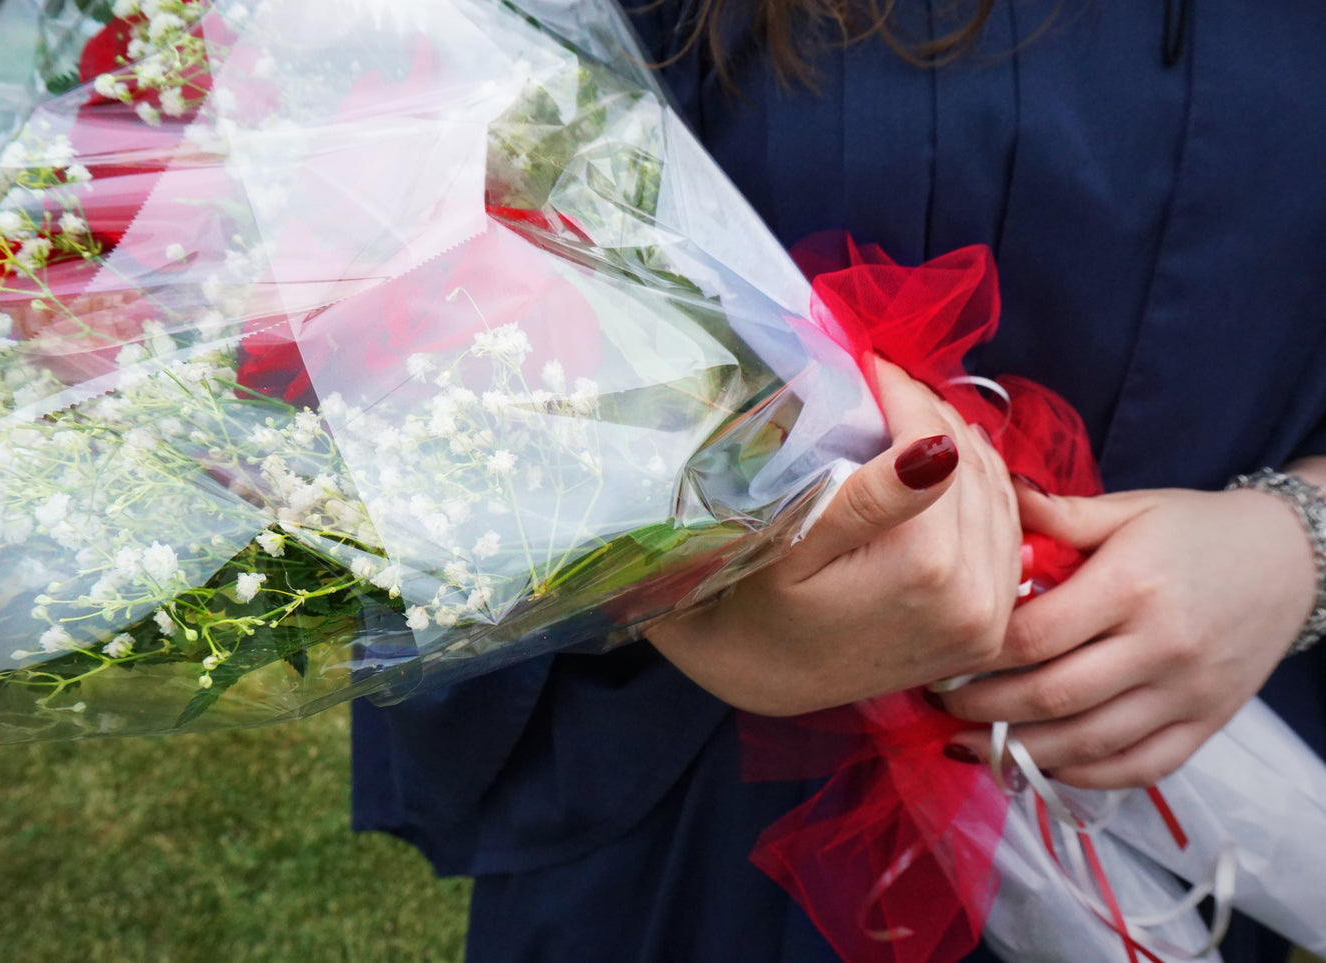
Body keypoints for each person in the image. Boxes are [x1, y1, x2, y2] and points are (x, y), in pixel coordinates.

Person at [352, 1, 1326, 960]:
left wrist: (1299, 542)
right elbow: (381, 227)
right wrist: (670, 592)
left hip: (1190, 745)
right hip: (701, 799)